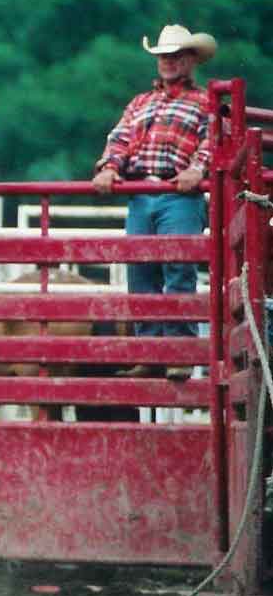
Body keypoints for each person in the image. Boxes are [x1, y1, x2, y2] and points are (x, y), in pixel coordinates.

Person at [91, 24, 217, 381]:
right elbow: (118, 140)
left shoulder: (206, 101)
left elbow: (214, 142)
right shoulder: (140, 103)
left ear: (191, 60)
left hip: (180, 194)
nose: (168, 62)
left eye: (176, 55)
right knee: (141, 274)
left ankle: (178, 352)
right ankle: (150, 353)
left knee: (179, 269)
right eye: (164, 56)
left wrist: (198, 168)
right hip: (140, 193)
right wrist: (110, 167)